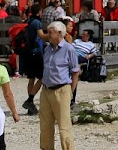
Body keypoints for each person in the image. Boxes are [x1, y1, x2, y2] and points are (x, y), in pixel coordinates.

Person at [39, 21, 79, 150]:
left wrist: (70, 91)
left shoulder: (69, 49)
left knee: (64, 127)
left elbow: (75, 72)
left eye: (51, 33)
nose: (48, 35)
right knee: (45, 126)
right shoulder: (47, 48)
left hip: (62, 89)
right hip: (46, 90)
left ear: (60, 33)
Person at [20, 5, 45, 117]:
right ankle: (30, 100)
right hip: (36, 52)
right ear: (39, 12)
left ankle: (31, 105)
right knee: (42, 77)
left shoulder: (29, 21)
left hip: (28, 52)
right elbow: (41, 36)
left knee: (31, 78)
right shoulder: (37, 23)